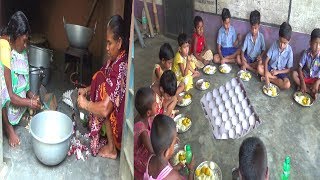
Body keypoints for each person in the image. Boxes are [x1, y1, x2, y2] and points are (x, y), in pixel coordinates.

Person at [77, 15, 128, 159]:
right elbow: (102, 75)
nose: (106, 48)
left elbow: (105, 109)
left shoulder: (121, 67)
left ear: (119, 42)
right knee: (99, 76)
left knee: (101, 88)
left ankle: (112, 148)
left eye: (109, 43)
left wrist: (85, 104)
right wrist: (86, 90)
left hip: (119, 126)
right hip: (112, 113)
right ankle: (104, 135)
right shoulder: (115, 60)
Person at [0, 11, 41, 147]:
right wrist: (29, 103)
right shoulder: (4, 49)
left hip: (16, 98)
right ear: (15, 36)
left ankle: (18, 113)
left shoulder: (18, 48)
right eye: (24, 41)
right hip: (6, 95)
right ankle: (7, 127)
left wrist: (31, 96)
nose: (25, 45)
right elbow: (9, 95)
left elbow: (22, 79)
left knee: (22, 54)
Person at [144, 114, 195, 180]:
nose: (177, 142)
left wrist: (175, 167)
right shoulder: (174, 176)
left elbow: (162, 172)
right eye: (174, 143)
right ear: (167, 152)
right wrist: (191, 170)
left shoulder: (151, 158)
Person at [257, 22, 293, 90]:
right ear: (279, 37)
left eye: (284, 43)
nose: (281, 45)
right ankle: (275, 80)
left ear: (289, 40)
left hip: (281, 72)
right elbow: (266, 61)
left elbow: (289, 69)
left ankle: (270, 79)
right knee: (259, 68)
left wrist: (277, 72)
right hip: (270, 69)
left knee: (287, 84)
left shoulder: (289, 51)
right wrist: (267, 75)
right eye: (280, 42)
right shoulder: (274, 45)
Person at [134, 87, 158, 180]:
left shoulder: (143, 115)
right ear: (148, 112)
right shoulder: (142, 131)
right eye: (155, 105)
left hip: (145, 145)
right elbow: (153, 152)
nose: (157, 105)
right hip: (140, 159)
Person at [292, 28, 320, 99]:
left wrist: (317, 82)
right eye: (315, 43)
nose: (317, 47)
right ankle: (308, 90)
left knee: (317, 84)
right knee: (294, 74)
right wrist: (302, 82)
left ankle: (304, 88)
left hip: (315, 80)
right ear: (310, 43)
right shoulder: (306, 53)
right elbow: (299, 68)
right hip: (305, 77)